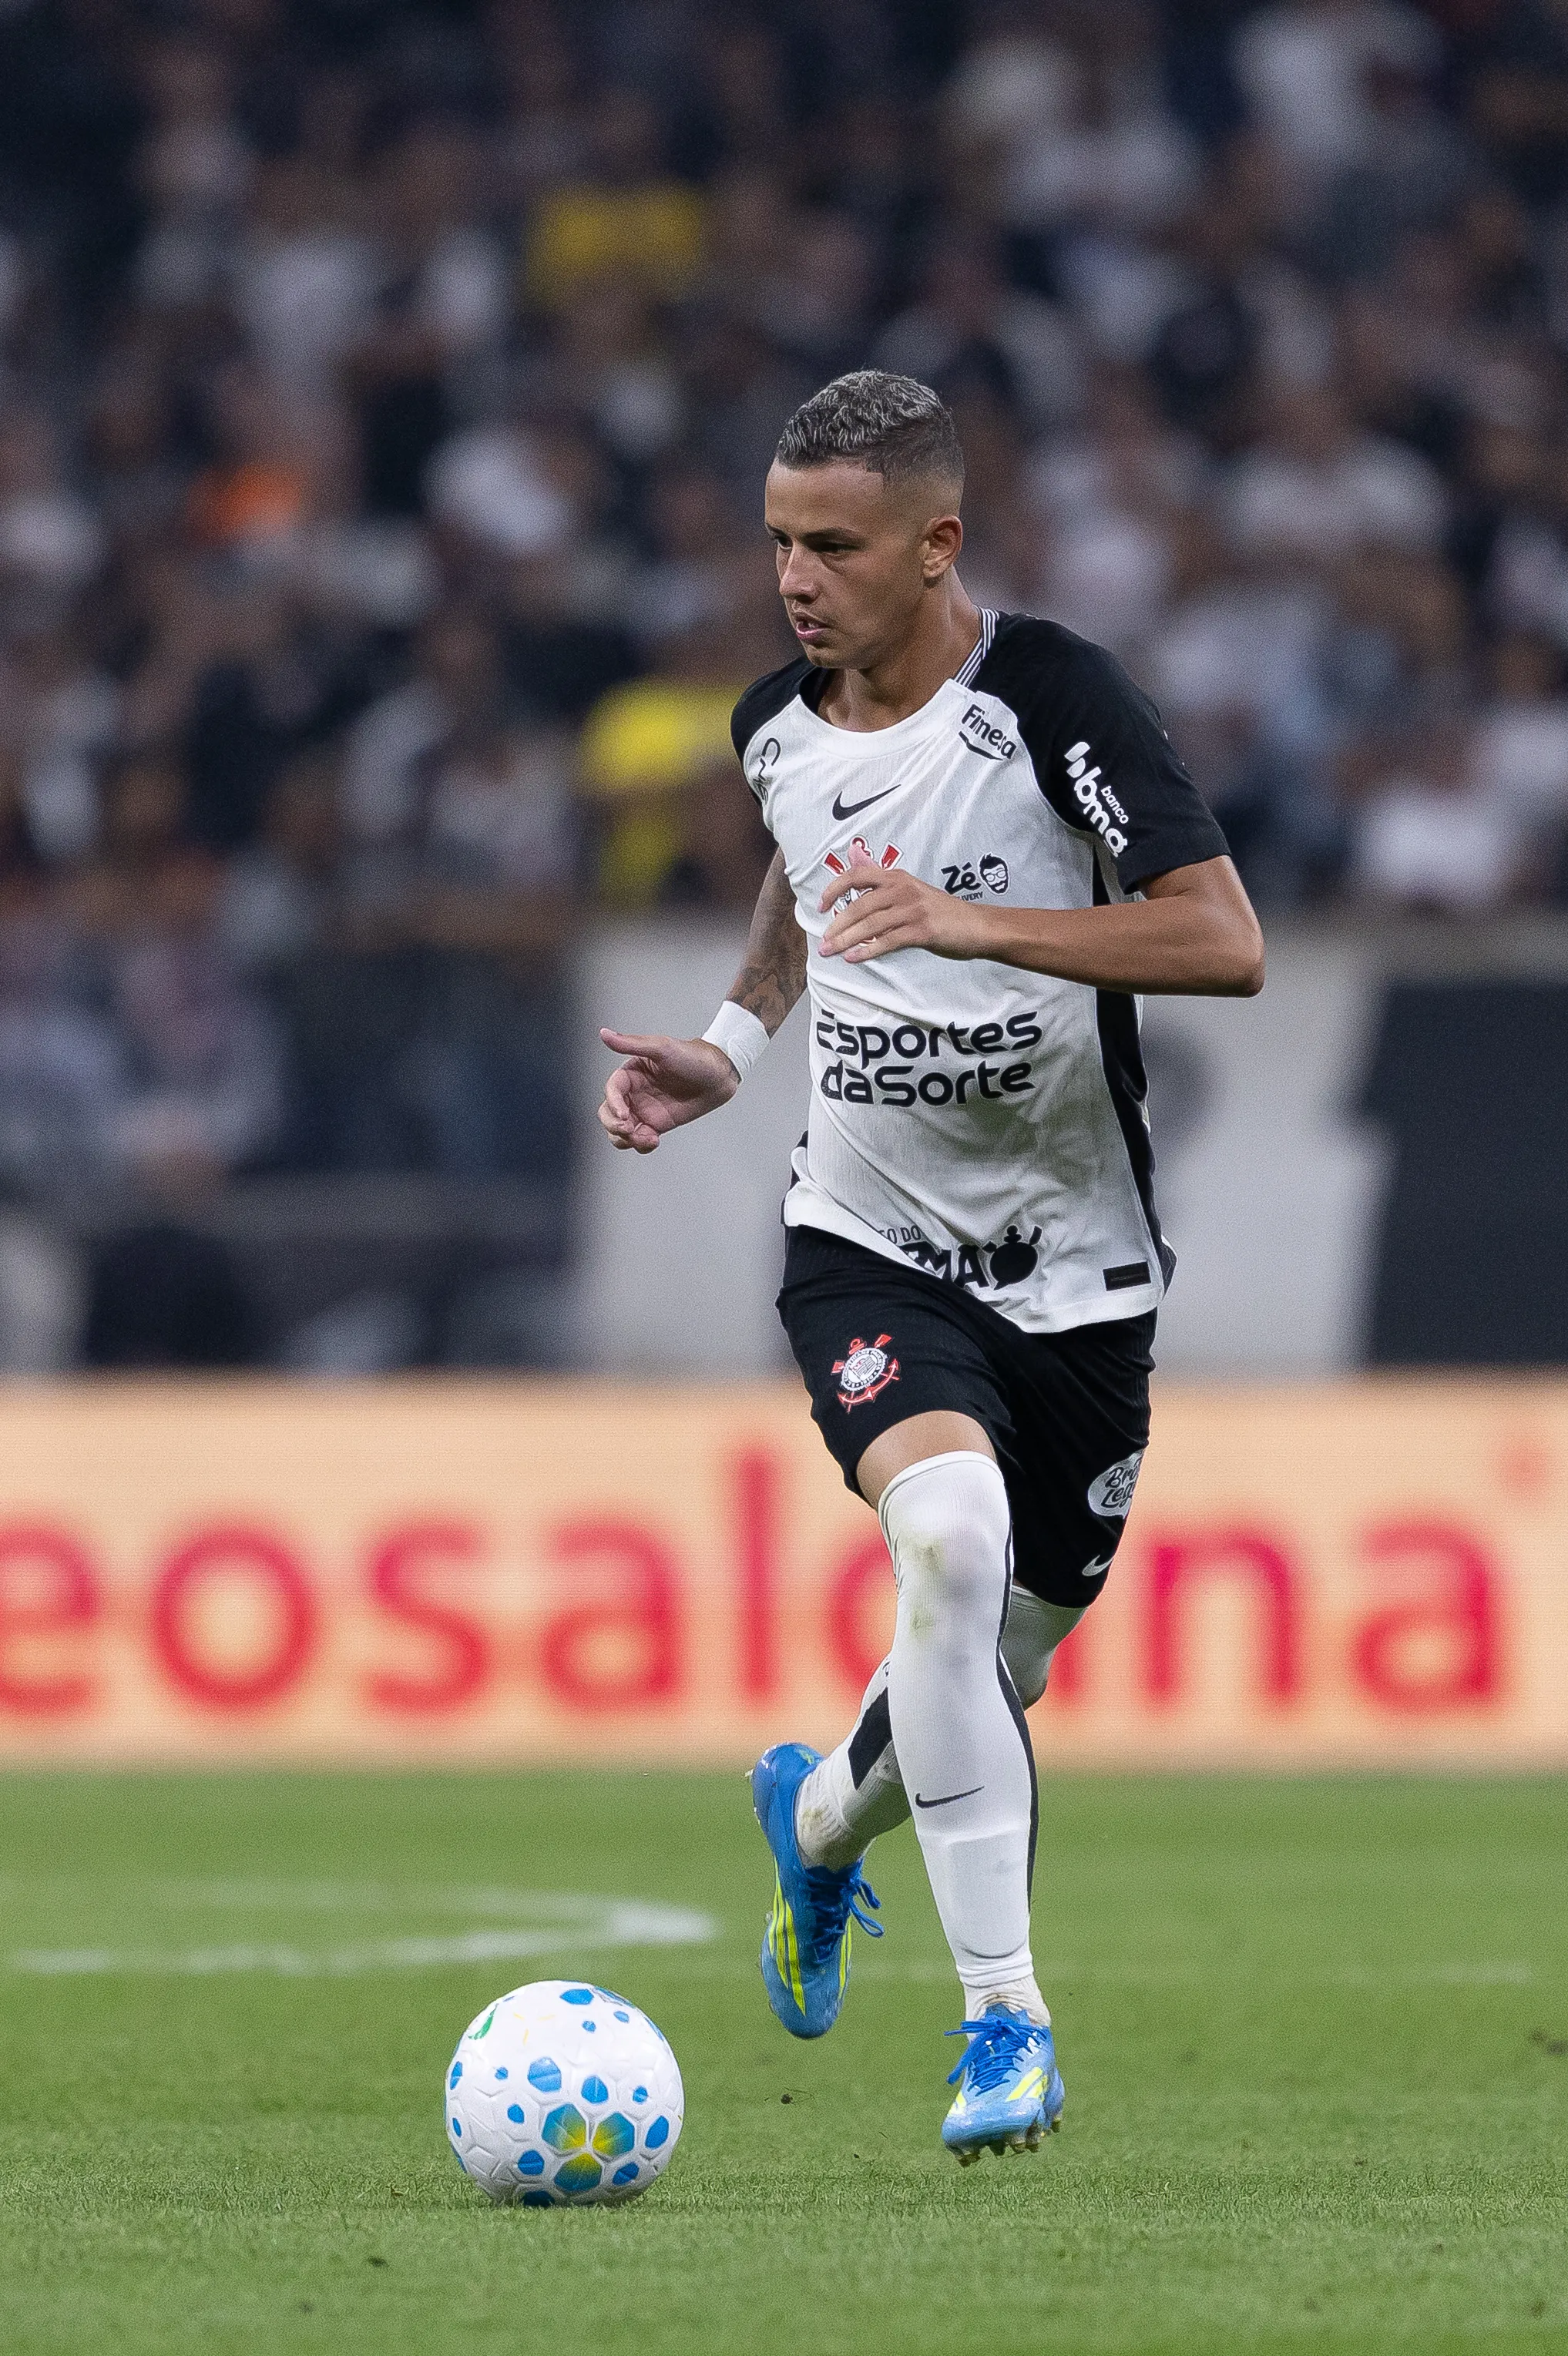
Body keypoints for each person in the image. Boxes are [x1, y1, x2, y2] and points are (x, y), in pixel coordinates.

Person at [597, 370, 1264, 2165]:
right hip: (867, 1245)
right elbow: (797, 889)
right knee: (950, 1549)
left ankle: (817, 1827)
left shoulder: (1053, 698)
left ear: (937, 543)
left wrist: (980, 919)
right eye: (779, 543)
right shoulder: (774, 723)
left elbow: (1223, 937)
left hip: (1081, 1276)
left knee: (1005, 1650)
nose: (796, 579)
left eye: (834, 544)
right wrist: (731, 1052)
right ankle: (1005, 2027)